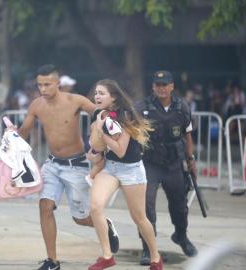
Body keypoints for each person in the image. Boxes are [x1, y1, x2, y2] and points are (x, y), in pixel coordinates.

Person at [16, 65, 119, 270]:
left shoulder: (75, 100)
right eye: (39, 85)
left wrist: (109, 129)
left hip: (77, 165)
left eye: (47, 84)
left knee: (80, 218)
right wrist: (11, 143)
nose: (42, 89)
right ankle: (52, 261)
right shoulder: (36, 105)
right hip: (52, 164)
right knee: (45, 206)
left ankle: (105, 225)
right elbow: (24, 131)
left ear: (58, 84)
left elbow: (102, 114)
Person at [88, 79, 163, 270]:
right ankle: (107, 256)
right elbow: (96, 148)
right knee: (96, 207)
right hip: (111, 168)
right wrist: (95, 141)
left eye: (102, 93)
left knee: (139, 217)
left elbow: (121, 150)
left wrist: (102, 132)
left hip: (131, 170)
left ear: (113, 97)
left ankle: (155, 257)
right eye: (96, 92)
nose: (97, 96)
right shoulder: (99, 115)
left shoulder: (126, 115)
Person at [135, 71, 198, 265]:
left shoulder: (181, 107)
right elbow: (131, 131)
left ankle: (181, 235)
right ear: (153, 87)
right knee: (146, 206)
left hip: (173, 164)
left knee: (180, 205)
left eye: (165, 84)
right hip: (149, 163)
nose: (161, 88)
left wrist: (191, 160)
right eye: (158, 85)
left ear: (172, 86)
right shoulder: (142, 106)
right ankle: (147, 248)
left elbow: (187, 135)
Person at [86, 109, 122, 182]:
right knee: (99, 164)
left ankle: (91, 177)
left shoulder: (106, 124)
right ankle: (91, 177)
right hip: (93, 147)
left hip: (95, 145)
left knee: (100, 163)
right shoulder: (97, 124)